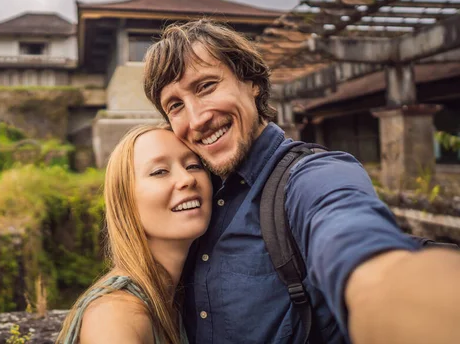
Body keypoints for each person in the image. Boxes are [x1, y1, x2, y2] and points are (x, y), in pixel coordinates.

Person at [142, 19, 460, 344]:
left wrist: (396, 294)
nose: (196, 119)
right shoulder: (195, 193)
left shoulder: (310, 177)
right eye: (176, 106)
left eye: (207, 86)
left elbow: (357, 247)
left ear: (250, 82)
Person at [56, 124, 212, 344]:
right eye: (160, 171)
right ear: (125, 201)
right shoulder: (115, 317)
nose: (188, 179)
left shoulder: (176, 299)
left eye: (194, 165)